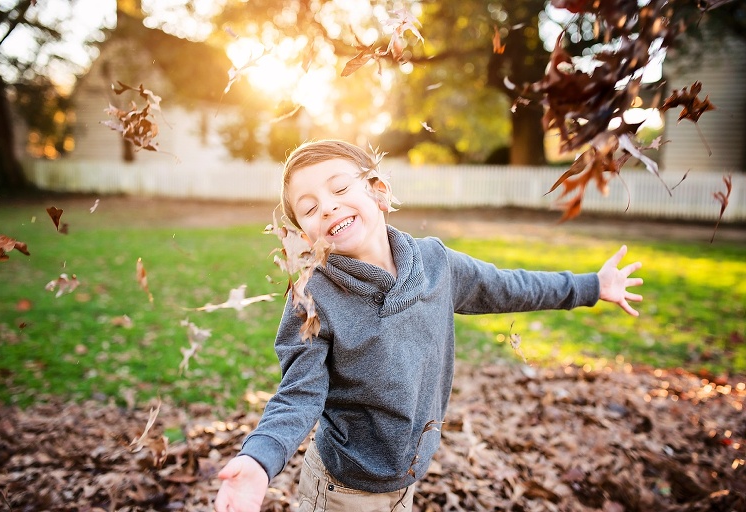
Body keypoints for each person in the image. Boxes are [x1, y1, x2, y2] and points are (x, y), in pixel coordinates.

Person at [214, 140, 643, 512]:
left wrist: (590, 286)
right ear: (305, 235)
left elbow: (509, 286)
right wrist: (258, 461)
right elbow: (298, 395)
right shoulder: (312, 300)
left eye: (340, 188)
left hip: (407, 477)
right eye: (309, 209)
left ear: (378, 191)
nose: (327, 206)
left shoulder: (436, 265)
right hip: (342, 490)